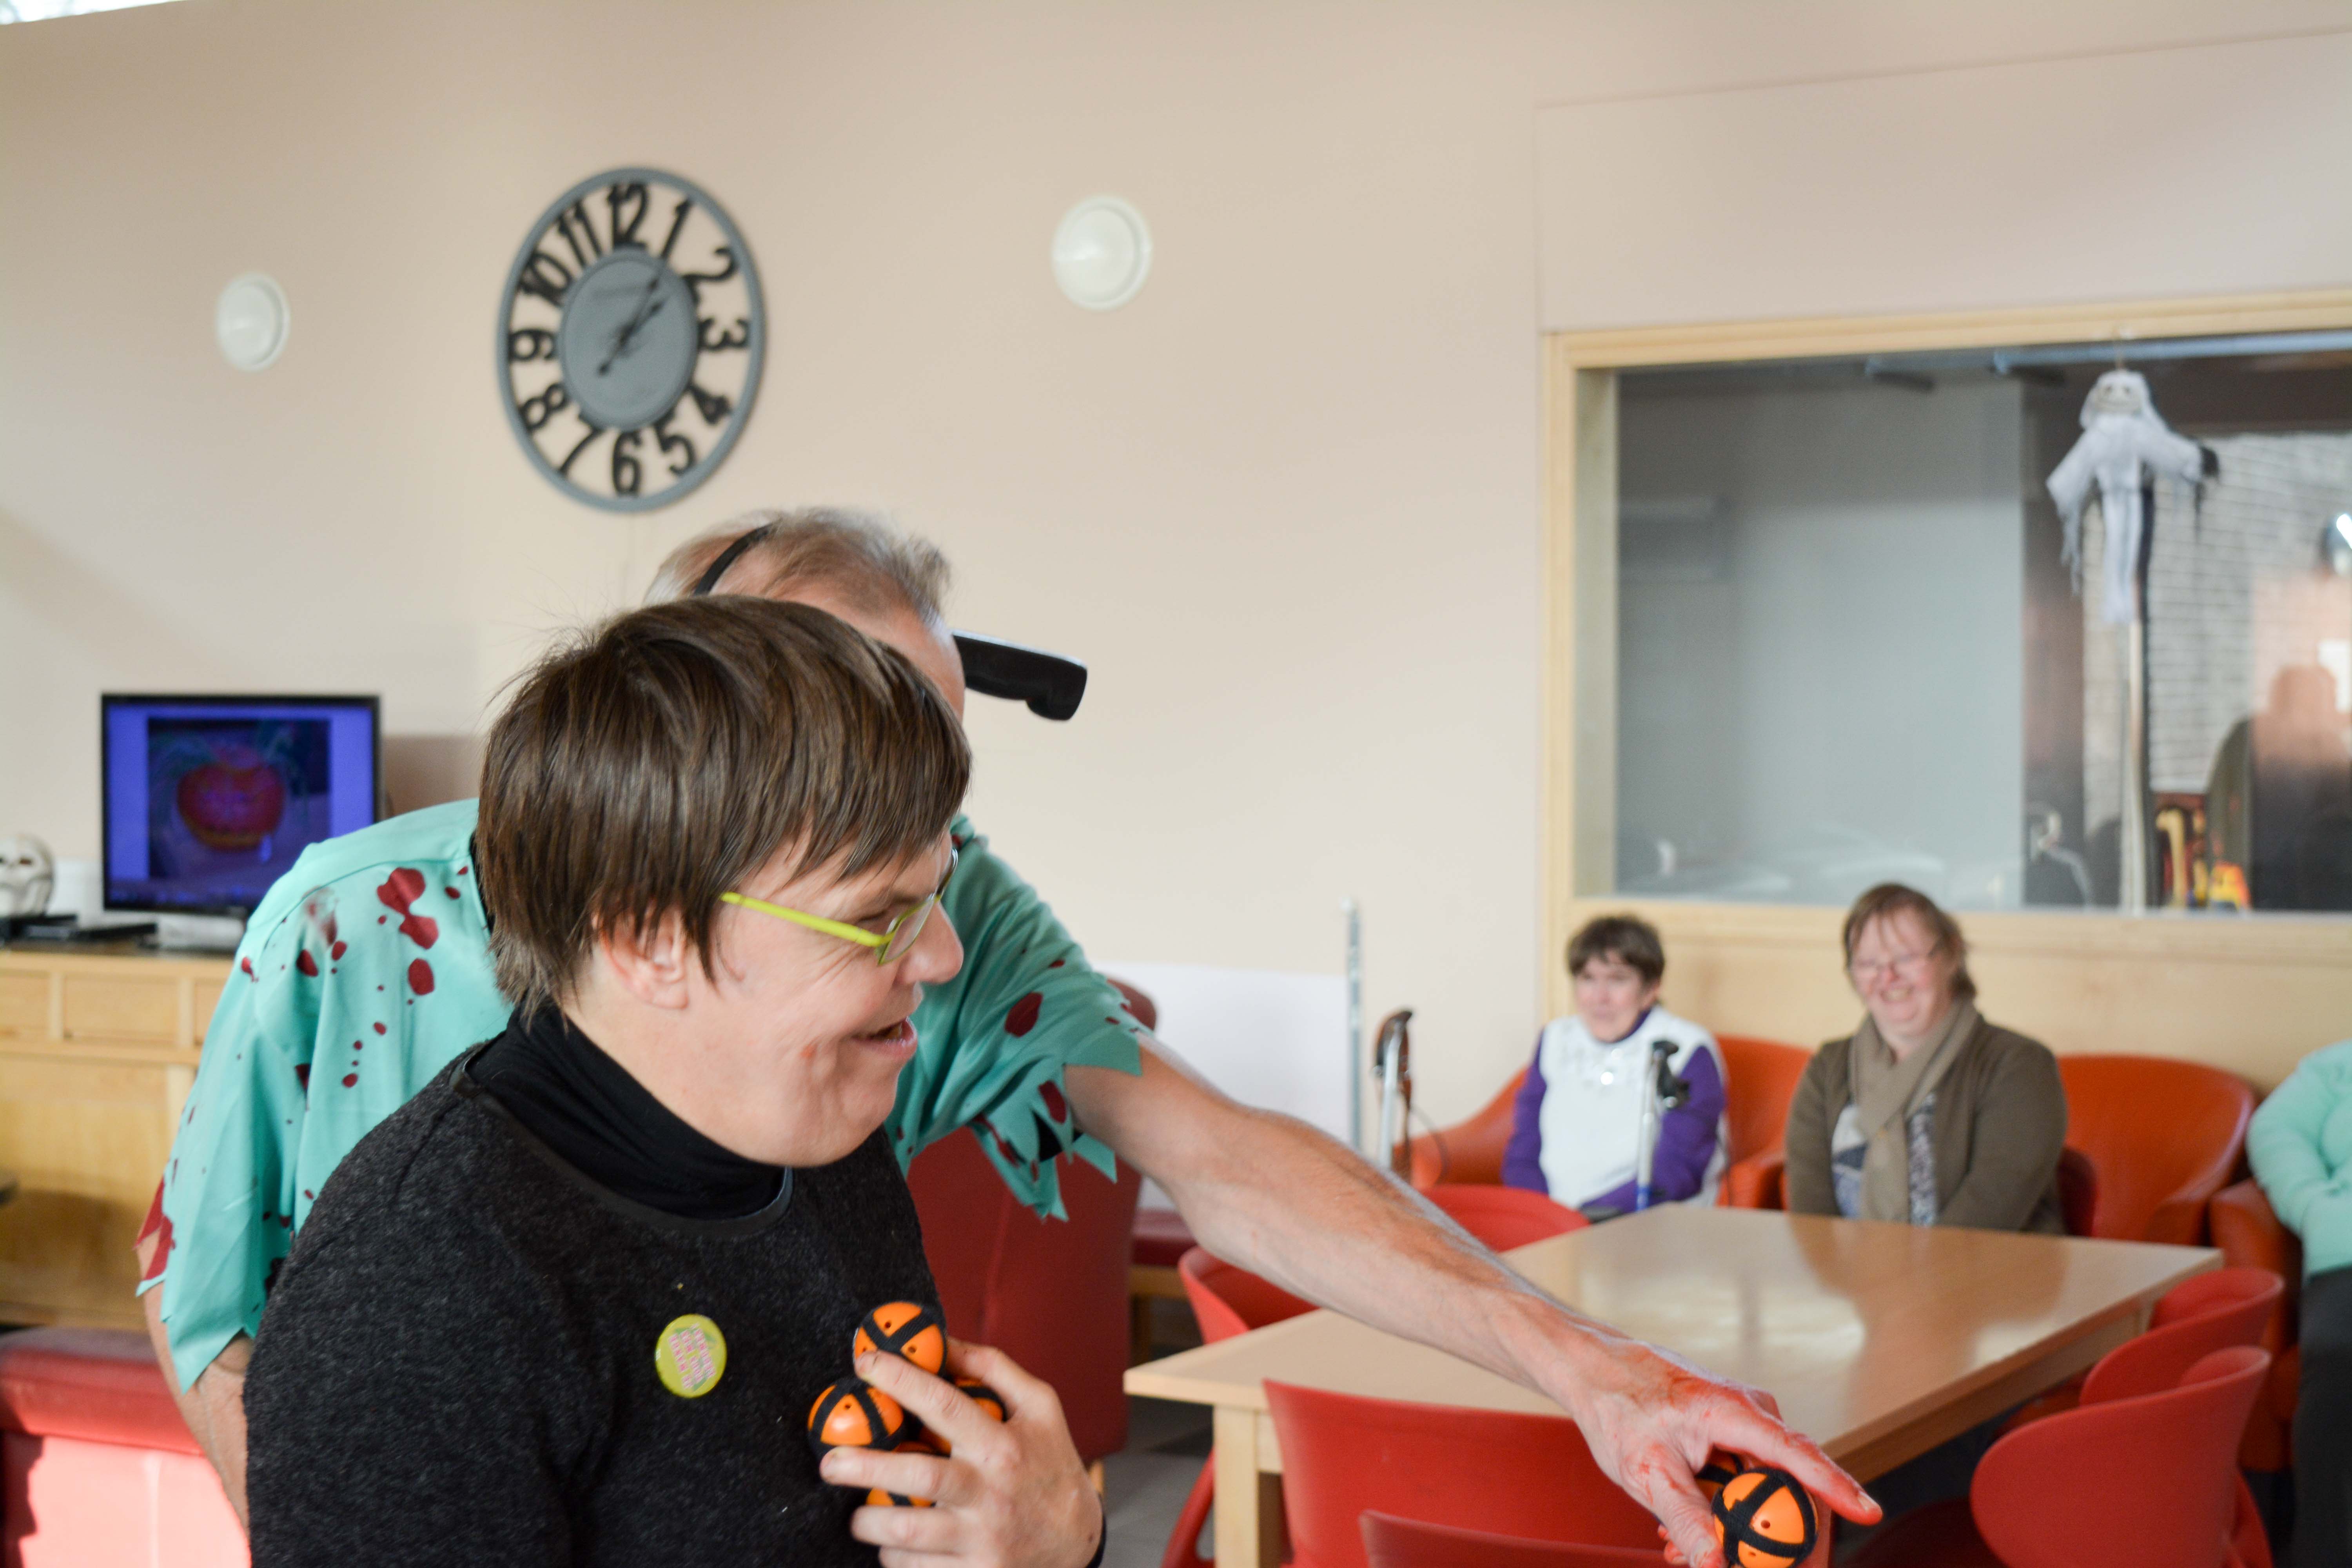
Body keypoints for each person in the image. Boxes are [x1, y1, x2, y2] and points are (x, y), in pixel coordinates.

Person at [145, 508, 1875, 1567]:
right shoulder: (357, 947)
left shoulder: (849, 1078)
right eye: (862, 823)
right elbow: (214, 1304)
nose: (938, 925)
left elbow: (1218, 1154)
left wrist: (1592, 1365)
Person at [245, 598, 1098, 1567]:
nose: (942, 955)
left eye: (936, 889)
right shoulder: (417, 1299)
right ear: (646, 938)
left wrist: (1061, 1544)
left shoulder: (807, 1126)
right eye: (878, 915)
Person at [1784, 884, 2065, 1233]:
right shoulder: (1827, 1068)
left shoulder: (2018, 1065)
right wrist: (1839, 1268)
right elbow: (1811, 1219)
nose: (1888, 977)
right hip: (1842, 1268)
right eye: (1868, 964)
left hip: (1988, 1267)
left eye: (1905, 958)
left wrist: (1894, 1270)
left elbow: (1990, 1213)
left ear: (1952, 955)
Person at [1502, 914, 1726, 1214]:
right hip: (1552, 1218)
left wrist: (1586, 1219)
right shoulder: (1556, 1038)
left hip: (1643, 1220)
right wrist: (1539, 1214)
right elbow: (1524, 1150)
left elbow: (1680, 1169)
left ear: (1651, 989)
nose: (1600, 998)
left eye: (1618, 980)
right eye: (1588, 979)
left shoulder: (1687, 1049)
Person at [2247, 1037, 2352, 1568]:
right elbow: (2276, 1129)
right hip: (2347, 1250)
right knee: (2336, 1357)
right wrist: (2313, 1204)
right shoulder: (2338, 1066)